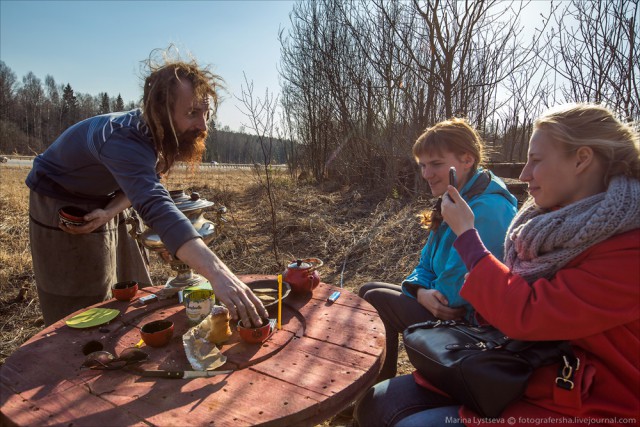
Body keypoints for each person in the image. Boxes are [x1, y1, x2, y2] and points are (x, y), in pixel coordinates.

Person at [354, 103, 640, 426]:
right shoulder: (547, 224)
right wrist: (421, 287)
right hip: (519, 366)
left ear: (581, 159)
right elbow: (490, 300)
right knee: (375, 404)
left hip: (580, 403)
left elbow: (525, 313)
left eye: (536, 160)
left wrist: (466, 236)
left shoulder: (628, 250)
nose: (524, 174)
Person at [26, 48, 268, 327]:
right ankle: (74, 358)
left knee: (127, 284)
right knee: (81, 297)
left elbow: (143, 183)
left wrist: (108, 212)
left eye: (206, 113)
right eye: (192, 113)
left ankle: (125, 335)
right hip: (59, 199)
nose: (203, 125)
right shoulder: (123, 139)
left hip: (106, 199)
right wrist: (219, 274)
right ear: (161, 110)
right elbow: (154, 203)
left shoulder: (164, 136)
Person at [358, 118, 518, 381]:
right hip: (438, 300)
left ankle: (376, 387)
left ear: (467, 160)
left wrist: (424, 293)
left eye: (436, 164)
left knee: (375, 299)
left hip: (468, 323)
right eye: (422, 165)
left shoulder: (486, 210)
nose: (426, 174)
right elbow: (425, 263)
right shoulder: (454, 200)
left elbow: (454, 298)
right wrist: (419, 289)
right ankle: (377, 381)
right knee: (367, 289)